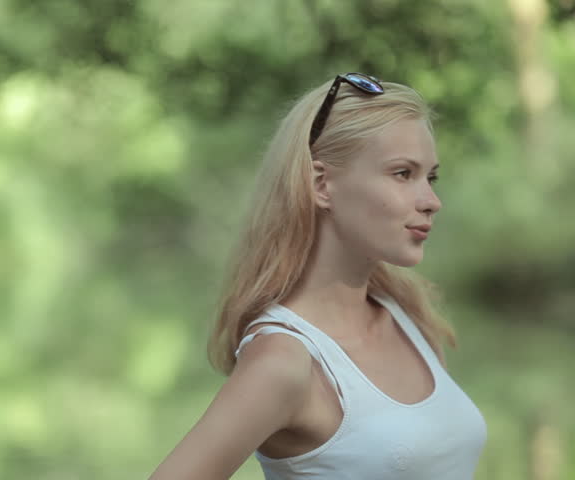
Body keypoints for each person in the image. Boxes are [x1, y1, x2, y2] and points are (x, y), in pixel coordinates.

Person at [148, 73, 487, 479]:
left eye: (430, 177)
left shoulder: (407, 318)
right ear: (322, 185)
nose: (431, 201)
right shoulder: (284, 361)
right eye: (402, 174)